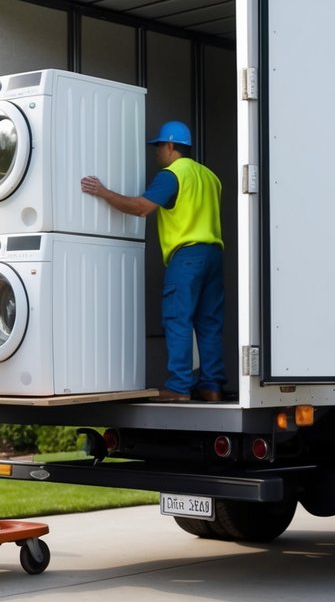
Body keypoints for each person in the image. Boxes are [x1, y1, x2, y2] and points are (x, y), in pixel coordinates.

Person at [80, 120, 226, 403]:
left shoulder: (172, 175)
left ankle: (180, 387)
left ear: (170, 146)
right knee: (209, 323)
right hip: (214, 256)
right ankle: (211, 386)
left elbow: (140, 208)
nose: (156, 152)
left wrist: (103, 191)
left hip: (186, 257)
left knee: (178, 319)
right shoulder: (209, 176)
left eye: (158, 146)